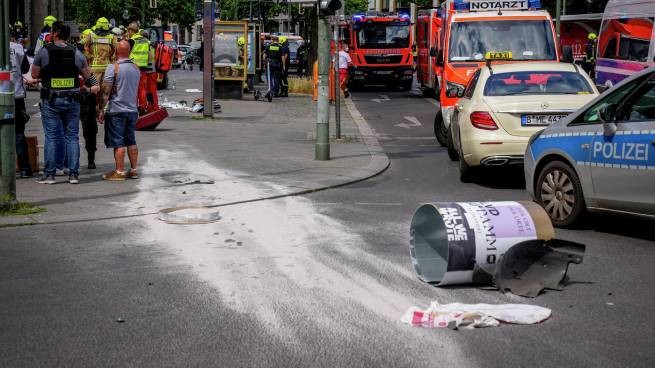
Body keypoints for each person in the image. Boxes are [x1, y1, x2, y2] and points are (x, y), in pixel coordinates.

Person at [32, 21, 99, 184]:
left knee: (52, 137)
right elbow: (89, 76)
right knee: (72, 137)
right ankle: (73, 174)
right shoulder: (76, 53)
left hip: (51, 100)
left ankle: (49, 175)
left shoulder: (44, 52)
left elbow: (34, 74)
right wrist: (93, 86)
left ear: (54, 33)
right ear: (68, 36)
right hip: (72, 100)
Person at [98, 40, 141, 181]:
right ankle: (134, 170)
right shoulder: (136, 67)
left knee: (118, 142)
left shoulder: (113, 68)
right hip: (132, 110)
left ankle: (120, 172)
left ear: (116, 51)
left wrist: (101, 110)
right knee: (131, 140)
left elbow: (106, 92)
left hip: (116, 110)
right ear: (129, 51)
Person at [82, 17, 117, 169]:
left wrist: (89, 58)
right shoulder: (111, 37)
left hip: (94, 69)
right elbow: (115, 53)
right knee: (105, 93)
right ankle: (101, 111)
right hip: (107, 68)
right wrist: (110, 60)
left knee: (93, 94)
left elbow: (83, 47)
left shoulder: (91, 35)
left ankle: (95, 110)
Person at [10, 26, 33, 178]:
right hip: (16, 96)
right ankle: (24, 169)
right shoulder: (17, 48)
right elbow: (25, 69)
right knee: (18, 134)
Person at [126, 23, 151, 113]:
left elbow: (125, 54)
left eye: (129, 31)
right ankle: (142, 106)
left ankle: (133, 106)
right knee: (142, 88)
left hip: (133, 68)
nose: (128, 33)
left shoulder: (132, 40)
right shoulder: (146, 41)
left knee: (133, 88)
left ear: (131, 30)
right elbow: (149, 55)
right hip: (143, 68)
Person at [142, 30, 158, 113]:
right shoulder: (150, 44)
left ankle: (153, 107)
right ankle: (152, 106)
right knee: (151, 90)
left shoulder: (146, 44)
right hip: (152, 69)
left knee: (150, 90)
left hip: (149, 70)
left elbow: (148, 56)